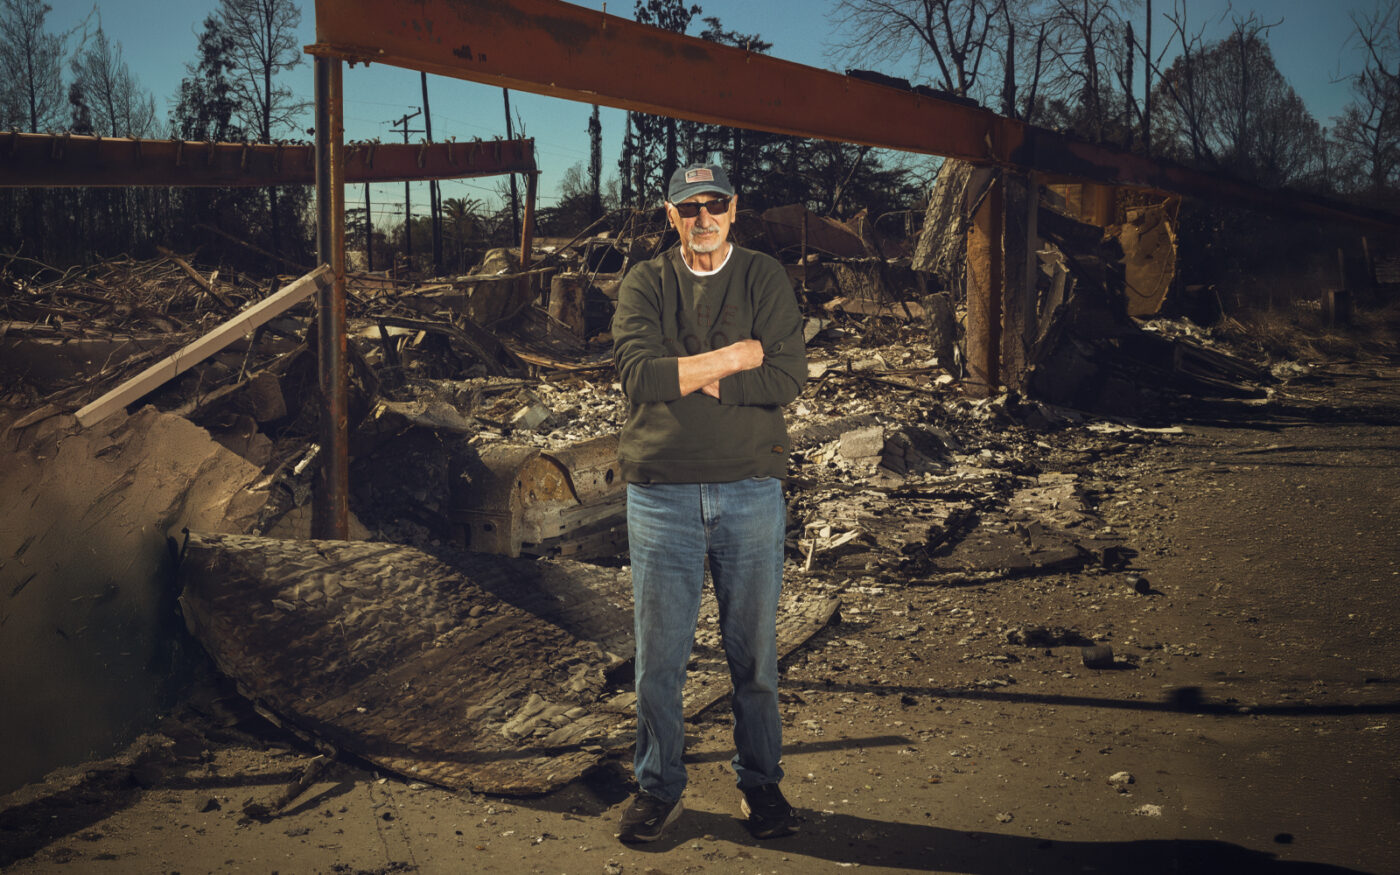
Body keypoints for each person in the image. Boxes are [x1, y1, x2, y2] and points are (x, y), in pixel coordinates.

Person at [611, 163, 808, 843]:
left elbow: (786, 375)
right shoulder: (645, 281)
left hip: (752, 487)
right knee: (658, 658)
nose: (703, 218)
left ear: (734, 209)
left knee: (753, 656)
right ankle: (658, 789)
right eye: (688, 207)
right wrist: (735, 357)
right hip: (661, 493)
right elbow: (640, 376)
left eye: (714, 205)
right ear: (670, 216)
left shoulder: (762, 277)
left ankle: (762, 786)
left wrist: (687, 374)